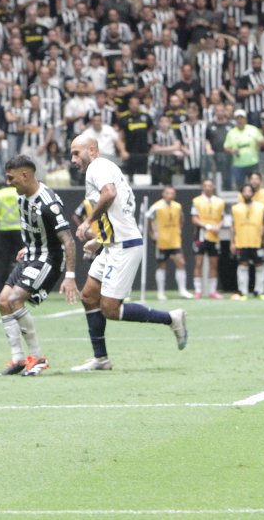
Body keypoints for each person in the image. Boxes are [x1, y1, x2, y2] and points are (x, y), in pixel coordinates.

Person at [67, 135, 188, 372]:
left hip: (124, 246)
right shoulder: (105, 167)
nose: (73, 159)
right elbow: (117, 210)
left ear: (92, 150)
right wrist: (99, 240)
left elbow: (109, 194)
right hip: (114, 244)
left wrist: (86, 223)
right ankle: (101, 359)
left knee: (110, 309)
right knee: (90, 296)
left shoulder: (97, 167)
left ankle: (172, 318)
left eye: (76, 153)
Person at [0, 155, 76, 377]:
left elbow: (68, 240)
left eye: (11, 178)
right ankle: (19, 359)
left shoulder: (48, 203)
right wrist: (28, 246)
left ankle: (38, 357)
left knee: (14, 299)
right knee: (2, 301)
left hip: (48, 258)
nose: (9, 182)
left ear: (25, 175)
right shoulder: (22, 196)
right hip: (32, 254)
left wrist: (70, 275)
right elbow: (33, 228)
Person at [146, 185, 193, 301]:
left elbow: (181, 219)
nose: (170, 195)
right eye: (167, 193)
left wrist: (178, 230)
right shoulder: (156, 207)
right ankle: (161, 292)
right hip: (162, 241)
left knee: (180, 262)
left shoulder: (178, 206)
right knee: (162, 265)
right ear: (163, 194)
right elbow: (147, 219)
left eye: (172, 193)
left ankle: (182, 290)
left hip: (175, 240)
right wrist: (152, 234)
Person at [230, 184, 264, 300]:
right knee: (242, 265)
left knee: (260, 265)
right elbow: (232, 226)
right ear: (241, 193)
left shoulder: (261, 207)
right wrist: (232, 242)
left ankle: (260, 291)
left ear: (253, 193)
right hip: (241, 241)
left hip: (257, 241)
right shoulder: (235, 208)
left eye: (249, 191)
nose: (247, 193)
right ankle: (243, 292)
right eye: (245, 190)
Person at [190, 179, 225, 299]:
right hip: (201, 236)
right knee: (198, 263)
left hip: (214, 237)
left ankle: (212, 291)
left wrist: (218, 227)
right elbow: (194, 219)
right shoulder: (197, 201)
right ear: (202, 187)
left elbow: (222, 218)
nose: (208, 188)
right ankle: (198, 290)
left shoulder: (220, 202)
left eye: (210, 186)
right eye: (205, 186)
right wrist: (208, 226)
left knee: (213, 264)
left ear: (213, 187)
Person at [0, 183, 21, 288]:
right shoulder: (20, 193)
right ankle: (22, 287)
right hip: (20, 230)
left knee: (4, 261)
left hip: (4, 230)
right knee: (23, 259)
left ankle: (2, 289)